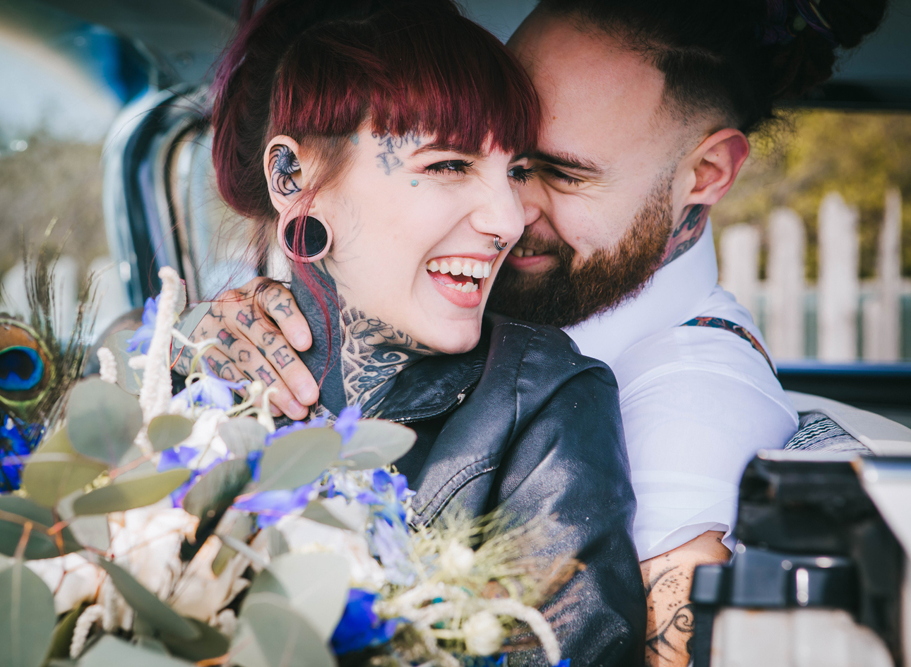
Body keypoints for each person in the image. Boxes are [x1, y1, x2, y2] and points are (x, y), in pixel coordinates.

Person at [185, 0, 887, 665]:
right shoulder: (451, 318)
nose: (508, 212)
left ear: (705, 173)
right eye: (473, 159)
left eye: (558, 172)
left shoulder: (687, 404)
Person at [183, 0, 646, 664]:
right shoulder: (195, 371)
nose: (509, 219)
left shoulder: (547, 400)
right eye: (449, 164)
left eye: (514, 170)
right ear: (294, 177)